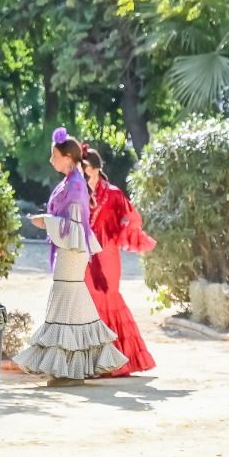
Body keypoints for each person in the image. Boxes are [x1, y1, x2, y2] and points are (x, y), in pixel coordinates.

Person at [15, 128, 125, 384]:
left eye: (54, 155)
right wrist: (49, 222)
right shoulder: (72, 182)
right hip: (71, 247)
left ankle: (70, 369)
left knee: (67, 301)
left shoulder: (75, 185)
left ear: (67, 157)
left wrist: (46, 222)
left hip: (73, 248)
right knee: (70, 302)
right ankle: (70, 368)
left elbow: (74, 225)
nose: (51, 160)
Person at [81, 148, 157, 377]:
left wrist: (118, 233)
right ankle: (90, 362)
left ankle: (114, 361)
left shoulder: (113, 194)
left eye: (84, 169)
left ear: (95, 169)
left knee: (108, 297)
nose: (82, 174)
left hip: (107, 255)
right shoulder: (79, 192)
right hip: (85, 257)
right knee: (88, 301)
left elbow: (134, 217)